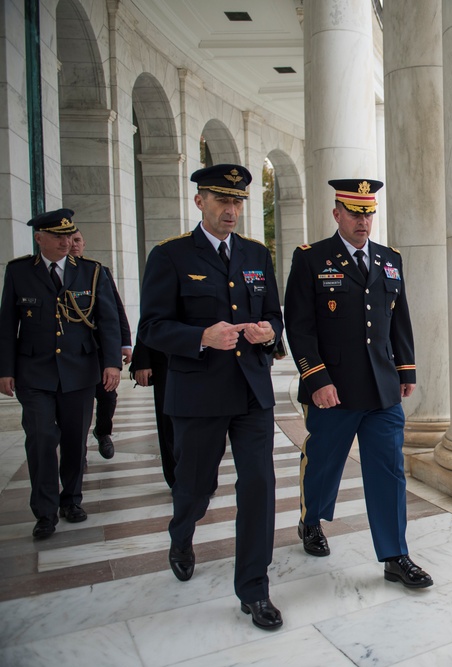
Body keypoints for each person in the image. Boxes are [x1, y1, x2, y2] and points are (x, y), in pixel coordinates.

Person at [137, 164, 284, 630]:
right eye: (222, 200)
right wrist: (202, 336)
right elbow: (153, 328)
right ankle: (182, 535)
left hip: (251, 392)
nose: (232, 210)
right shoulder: (171, 256)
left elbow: (275, 318)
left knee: (259, 487)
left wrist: (268, 333)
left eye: (238, 201)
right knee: (195, 488)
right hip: (198, 393)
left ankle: (254, 589)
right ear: (200, 201)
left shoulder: (258, 255)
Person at [283, 178, 432, 589]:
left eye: (368, 212)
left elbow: (399, 318)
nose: (363, 220)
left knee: (388, 471)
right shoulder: (311, 258)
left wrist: (406, 371)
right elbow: (299, 326)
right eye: (354, 212)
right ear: (337, 214)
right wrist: (316, 379)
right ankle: (310, 521)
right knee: (325, 463)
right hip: (333, 390)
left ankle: (395, 555)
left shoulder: (389, 258)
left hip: (382, 388)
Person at [0, 209, 121, 539]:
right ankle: (44, 511)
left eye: (69, 236)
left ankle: (71, 500)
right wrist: (5, 370)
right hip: (34, 372)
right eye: (57, 236)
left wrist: (111, 363)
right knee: (41, 438)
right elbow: (8, 325)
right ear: (39, 238)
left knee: (73, 439)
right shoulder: (19, 272)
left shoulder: (91, 273)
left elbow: (108, 321)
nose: (66, 242)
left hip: (79, 371)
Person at [68, 230, 131, 462]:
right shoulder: (60, 274)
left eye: (77, 240)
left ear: (84, 244)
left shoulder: (97, 272)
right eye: (69, 240)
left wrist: (125, 343)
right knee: (77, 402)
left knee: (107, 396)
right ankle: (78, 445)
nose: (73, 245)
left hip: (101, 348)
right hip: (74, 351)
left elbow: (115, 310)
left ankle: (102, 431)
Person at [129, 338, 174, 487]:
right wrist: (142, 360)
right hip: (167, 358)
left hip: (211, 358)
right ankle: (177, 479)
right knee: (169, 424)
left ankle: (204, 479)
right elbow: (148, 320)